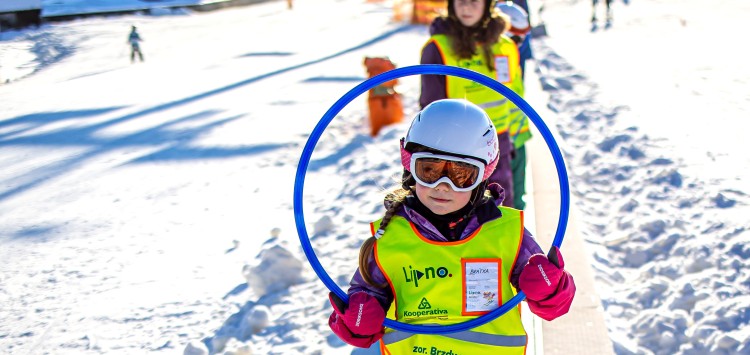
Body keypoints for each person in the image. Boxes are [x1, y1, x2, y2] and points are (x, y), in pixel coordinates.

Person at [327, 99, 576, 353]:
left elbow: (553, 304)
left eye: (461, 175)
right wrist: (356, 320)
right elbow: (364, 298)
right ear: (410, 168)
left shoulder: (507, 233)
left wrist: (552, 290)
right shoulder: (389, 239)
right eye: (430, 170)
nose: (443, 186)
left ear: (482, 177)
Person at [419, 0, 521, 208]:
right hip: (457, 152)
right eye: (460, 1)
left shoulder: (505, 46)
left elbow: (515, 94)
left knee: (501, 211)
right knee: (464, 217)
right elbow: (431, 108)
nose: (466, 7)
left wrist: (517, 138)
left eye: (474, 0)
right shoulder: (438, 48)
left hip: (500, 143)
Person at [495, 0, 533, 210]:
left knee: (517, 200)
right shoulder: (496, 60)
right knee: (505, 204)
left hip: (517, 140)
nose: (520, 44)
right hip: (504, 144)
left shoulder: (511, 58)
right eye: (517, 38)